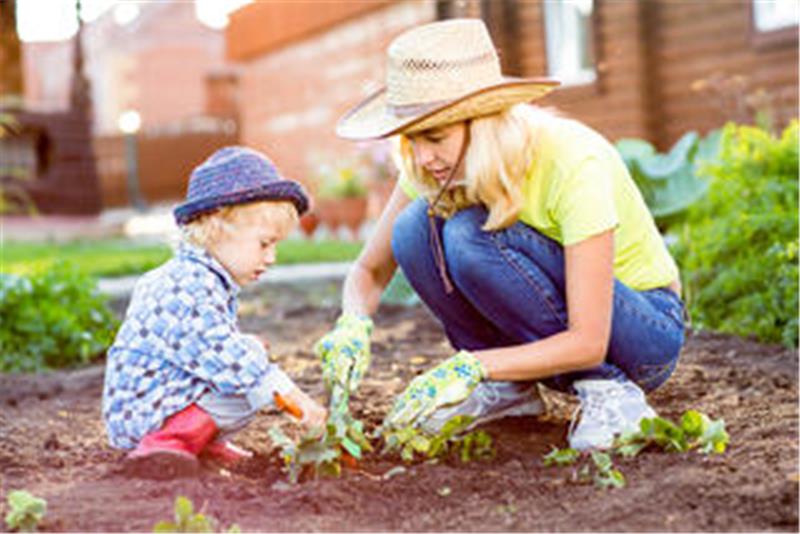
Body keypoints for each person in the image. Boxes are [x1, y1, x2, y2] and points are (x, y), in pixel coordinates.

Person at [314, 19, 686, 450]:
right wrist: (353, 322)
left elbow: (589, 340)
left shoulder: (570, 160)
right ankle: (511, 392)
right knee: (415, 228)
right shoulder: (433, 165)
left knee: (470, 235)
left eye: (435, 136)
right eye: (411, 139)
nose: (421, 155)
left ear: (483, 122)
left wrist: (471, 366)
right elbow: (369, 269)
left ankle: (612, 395)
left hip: (640, 337)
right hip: (551, 345)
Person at [102, 146, 327, 479]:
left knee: (250, 360)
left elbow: (206, 348)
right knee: (245, 384)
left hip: (155, 398)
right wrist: (290, 394)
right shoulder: (189, 283)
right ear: (217, 227)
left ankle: (200, 443)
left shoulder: (201, 276)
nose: (272, 257)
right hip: (141, 412)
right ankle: (166, 443)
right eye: (264, 243)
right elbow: (228, 361)